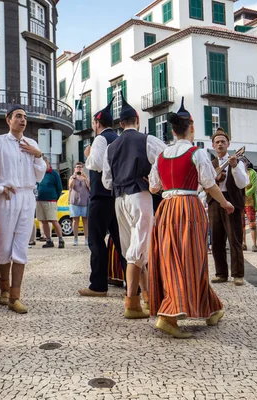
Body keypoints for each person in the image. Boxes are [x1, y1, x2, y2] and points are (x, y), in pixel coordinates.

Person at [148, 99, 231, 339]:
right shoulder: (198, 153)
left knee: (171, 258)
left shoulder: (161, 155)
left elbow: (154, 187)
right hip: (189, 208)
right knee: (191, 259)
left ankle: (211, 307)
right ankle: (170, 315)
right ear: (191, 128)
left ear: (173, 131)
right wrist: (225, 203)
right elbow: (209, 184)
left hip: (166, 209)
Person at [0, 105, 46, 314]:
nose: (22, 120)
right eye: (18, 116)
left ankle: (15, 296)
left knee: (22, 245)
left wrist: (38, 154)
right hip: (7, 195)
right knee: (3, 243)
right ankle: (3, 289)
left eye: (25, 117)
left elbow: (39, 175)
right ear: (8, 120)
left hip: (27, 196)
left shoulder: (31, 144)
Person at [102, 94, 167, 319]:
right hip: (140, 194)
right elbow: (165, 157)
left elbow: (106, 181)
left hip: (119, 199)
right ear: (137, 120)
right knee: (139, 249)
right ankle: (132, 303)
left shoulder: (111, 147)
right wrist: (155, 181)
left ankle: (148, 297)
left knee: (132, 247)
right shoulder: (146, 139)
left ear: (120, 124)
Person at [79, 97, 126, 297]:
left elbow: (97, 163)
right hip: (117, 196)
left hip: (100, 196)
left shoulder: (100, 139)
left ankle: (98, 285)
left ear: (97, 123)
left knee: (96, 241)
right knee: (121, 240)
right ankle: (134, 284)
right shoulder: (119, 138)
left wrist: (88, 154)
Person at [208, 128, 250, 286]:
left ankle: (238, 275)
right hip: (214, 202)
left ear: (228, 144)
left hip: (232, 201)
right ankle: (221, 273)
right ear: (213, 145)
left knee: (235, 239)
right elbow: (205, 183)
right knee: (217, 241)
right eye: (217, 142)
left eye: (223, 142)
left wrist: (233, 167)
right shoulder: (210, 164)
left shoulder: (237, 162)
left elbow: (243, 183)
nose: (220, 144)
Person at [36, 157, 64, 249]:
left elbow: (59, 187)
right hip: (40, 200)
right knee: (43, 221)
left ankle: (60, 239)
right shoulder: (40, 174)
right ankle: (48, 240)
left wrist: (55, 198)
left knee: (54, 220)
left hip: (50, 200)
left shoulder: (54, 174)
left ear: (48, 163)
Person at [68, 162, 90, 246]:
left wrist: (85, 177)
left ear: (83, 168)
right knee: (75, 220)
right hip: (74, 202)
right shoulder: (72, 177)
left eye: (80, 167)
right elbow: (70, 186)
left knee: (86, 221)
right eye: (77, 167)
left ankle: (86, 239)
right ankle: (75, 238)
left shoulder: (85, 177)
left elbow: (89, 186)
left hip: (85, 202)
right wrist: (74, 177)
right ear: (75, 169)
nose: (79, 169)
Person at [243, 161, 257, 252]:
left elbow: (254, 187)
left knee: (252, 223)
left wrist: (244, 194)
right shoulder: (236, 172)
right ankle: (243, 243)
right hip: (240, 202)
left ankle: (254, 244)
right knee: (241, 224)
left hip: (250, 201)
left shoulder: (252, 173)